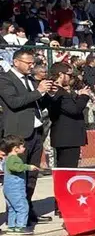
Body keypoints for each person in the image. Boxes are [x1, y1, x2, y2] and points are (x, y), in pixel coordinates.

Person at [0, 47, 55, 225]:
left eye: (32, 62)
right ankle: (15, 215)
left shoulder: (30, 80)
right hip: (17, 135)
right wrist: (38, 91)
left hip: (35, 132)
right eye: (28, 63)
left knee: (31, 174)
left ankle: (27, 209)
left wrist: (47, 93)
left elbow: (37, 103)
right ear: (16, 62)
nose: (31, 66)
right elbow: (14, 102)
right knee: (16, 175)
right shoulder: (5, 79)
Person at [47, 62, 92, 169]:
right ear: (61, 75)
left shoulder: (60, 90)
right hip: (67, 138)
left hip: (67, 137)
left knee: (66, 170)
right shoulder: (57, 90)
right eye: (70, 75)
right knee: (68, 170)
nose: (72, 78)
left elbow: (69, 107)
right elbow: (74, 110)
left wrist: (78, 96)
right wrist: (84, 97)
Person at [2, 135, 39, 234]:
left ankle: (12, 226)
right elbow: (15, 167)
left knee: (13, 208)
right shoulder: (13, 159)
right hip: (14, 188)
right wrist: (28, 167)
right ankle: (20, 226)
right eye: (22, 146)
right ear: (15, 148)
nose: (24, 148)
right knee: (22, 206)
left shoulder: (7, 158)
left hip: (9, 188)